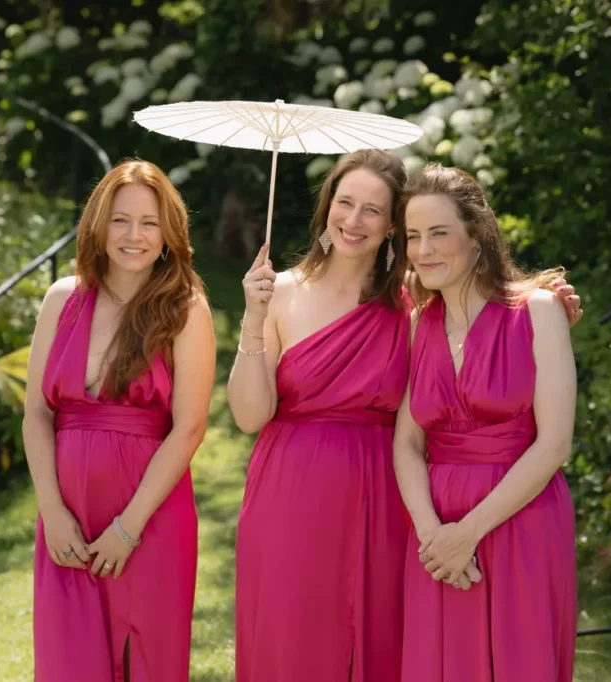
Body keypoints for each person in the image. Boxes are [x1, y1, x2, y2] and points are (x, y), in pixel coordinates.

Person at [228, 149, 582, 682]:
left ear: (392, 225)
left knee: (391, 641)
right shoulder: (281, 293)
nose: (353, 219)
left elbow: (488, 314)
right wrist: (252, 323)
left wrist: (546, 305)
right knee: (291, 632)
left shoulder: (410, 303)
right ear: (327, 208)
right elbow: (250, 417)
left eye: (372, 210)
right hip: (299, 485)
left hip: (384, 494)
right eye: (344, 202)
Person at [22, 159, 215, 682]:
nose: (135, 236)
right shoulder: (61, 299)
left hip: (148, 519)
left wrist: (128, 530)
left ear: (169, 232)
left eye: (150, 222)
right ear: (98, 225)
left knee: (145, 660)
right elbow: (37, 414)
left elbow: (190, 428)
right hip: (68, 520)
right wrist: (52, 511)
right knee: (69, 661)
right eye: (121, 220)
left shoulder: (185, 308)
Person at [395, 164, 578, 681]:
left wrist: (467, 534)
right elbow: (407, 441)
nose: (424, 249)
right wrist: (433, 535)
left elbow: (555, 444)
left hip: (521, 517)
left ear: (476, 237)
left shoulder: (537, 311)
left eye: (438, 233)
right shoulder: (418, 323)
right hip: (435, 532)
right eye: (413, 236)